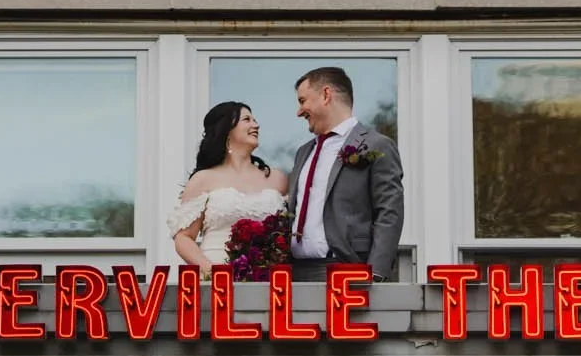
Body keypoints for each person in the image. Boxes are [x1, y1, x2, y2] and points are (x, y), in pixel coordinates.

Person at [288, 66, 404, 282]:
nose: (299, 111)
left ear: (325, 95)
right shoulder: (303, 152)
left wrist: (375, 274)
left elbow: (389, 212)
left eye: (303, 101)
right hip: (294, 274)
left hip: (346, 271)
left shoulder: (376, 144)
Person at [168, 101, 289, 270]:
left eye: (255, 120)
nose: (256, 125)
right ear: (227, 129)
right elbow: (184, 238)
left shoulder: (278, 179)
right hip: (217, 278)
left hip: (267, 278)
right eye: (247, 119)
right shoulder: (203, 179)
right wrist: (211, 271)